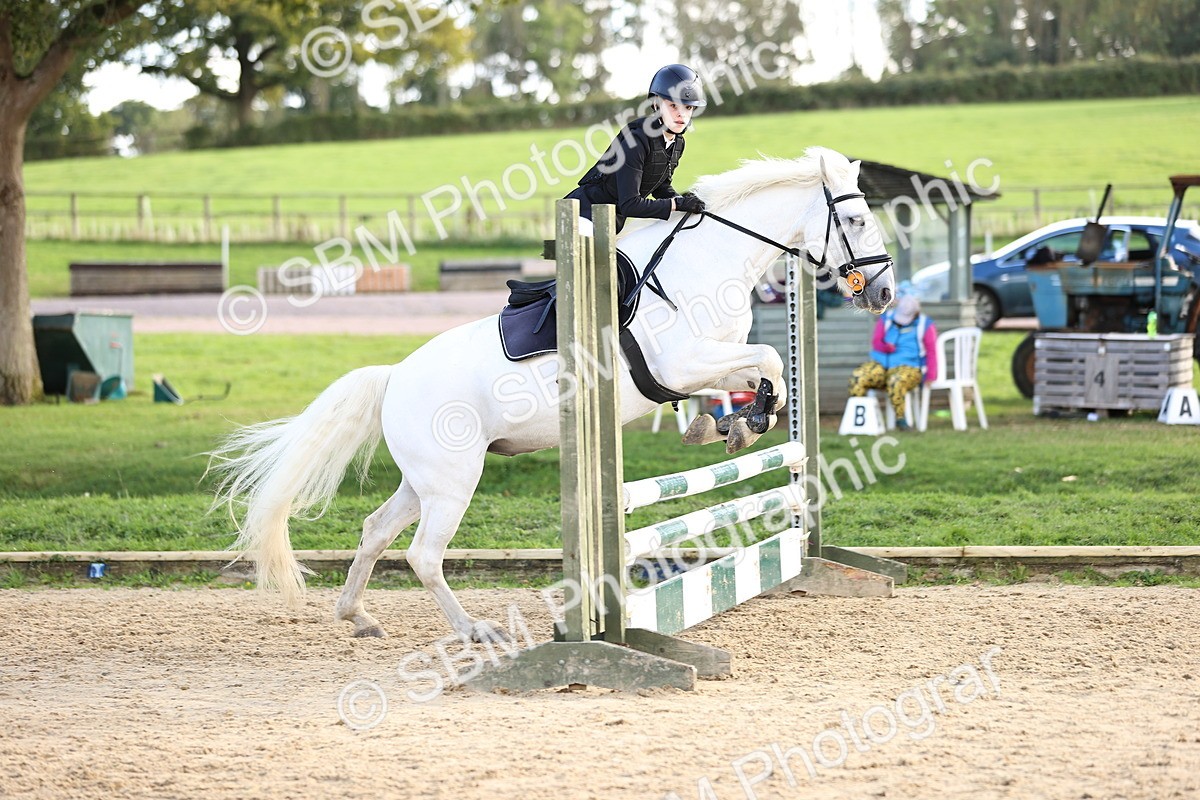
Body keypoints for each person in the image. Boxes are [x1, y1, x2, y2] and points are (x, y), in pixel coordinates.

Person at [565, 64, 708, 235]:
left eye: (688, 107)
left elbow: (660, 187)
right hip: (583, 215)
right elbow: (630, 205)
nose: (682, 114)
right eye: (673, 106)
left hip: (610, 220)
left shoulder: (678, 143)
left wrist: (682, 200)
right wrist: (677, 205)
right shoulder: (636, 142)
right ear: (656, 105)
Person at [847, 285, 938, 429]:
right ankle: (857, 419)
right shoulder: (887, 319)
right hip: (882, 365)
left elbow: (932, 351)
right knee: (859, 375)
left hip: (910, 368)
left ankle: (900, 419)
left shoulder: (924, 324)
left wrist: (931, 376)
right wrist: (885, 347)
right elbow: (876, 343)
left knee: (896, 380)